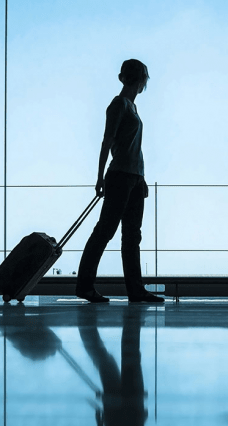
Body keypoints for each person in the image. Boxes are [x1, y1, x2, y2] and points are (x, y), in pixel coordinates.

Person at [76, 59, 163, 303]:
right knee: (106, 231)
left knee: (131, 235)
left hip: (133, 177)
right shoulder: (119, 105)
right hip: (121, 176)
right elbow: (108, 141)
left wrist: (142, 177)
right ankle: (85, 286)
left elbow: (132, 148)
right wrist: (100, 176)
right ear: (141, 80)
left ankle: (135, 290)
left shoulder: (132, 108)